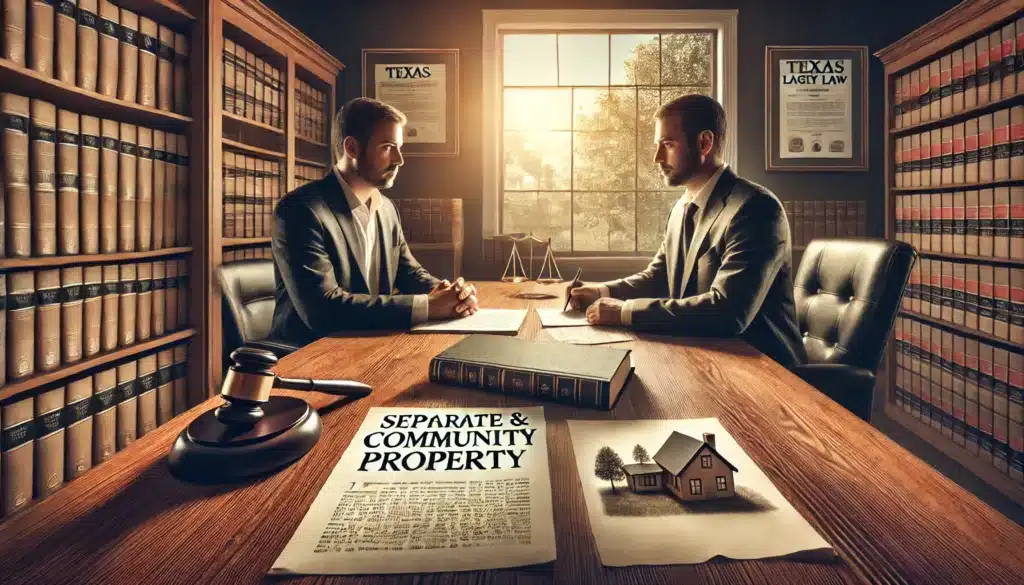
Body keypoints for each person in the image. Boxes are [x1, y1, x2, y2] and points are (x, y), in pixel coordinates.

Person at [567, 94, 807, 368]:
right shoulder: (683, 206)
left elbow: (727, 312)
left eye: (668, 144)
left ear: (704, 142)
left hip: (765, 372)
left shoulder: (756, 209)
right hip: (705, 357)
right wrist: (602, 292)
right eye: (657, 145)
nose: (657, 158)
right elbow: (659, 277)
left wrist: (624, 312)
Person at [269, 97, 479, 346]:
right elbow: (322, 310)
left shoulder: (387, 208)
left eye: (399, 147)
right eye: (388, 147)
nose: (399, 159)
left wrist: (451, 294)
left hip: (367, 343)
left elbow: (409, 273)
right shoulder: (300, 210)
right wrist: (429, 306)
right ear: (352, 148)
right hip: (309, 354)